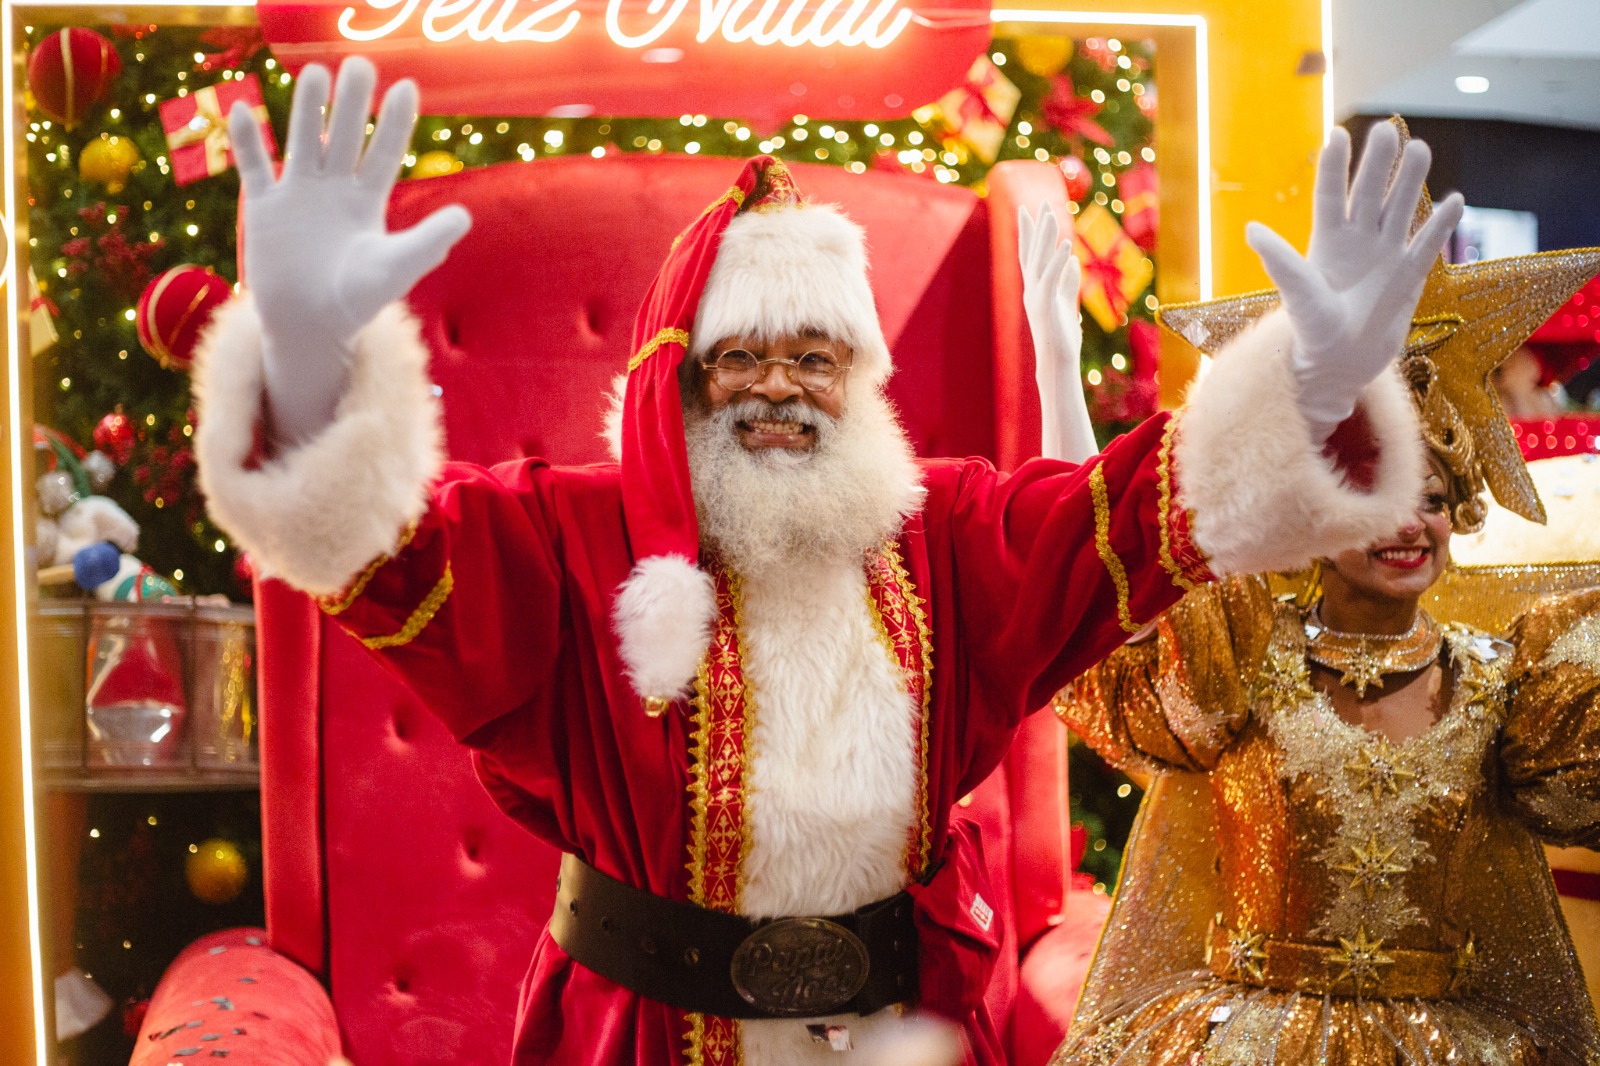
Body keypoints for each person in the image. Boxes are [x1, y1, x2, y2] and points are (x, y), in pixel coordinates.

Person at [192, 57, 1457, 1065]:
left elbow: (1132, 515)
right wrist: (305, 369)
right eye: (742, 356)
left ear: (862, 380)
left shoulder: (950, 540)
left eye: (817, 357)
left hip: (902, 1032)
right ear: (676, 382)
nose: (780, 390)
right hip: (646, 1039)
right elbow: (387, 552)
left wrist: (1307, 385)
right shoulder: (568, 543)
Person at [1047, 220, 1600, 1062]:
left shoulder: (1507, 687)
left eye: (1433, 497)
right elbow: (1094, 577)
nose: (1407, 523)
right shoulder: (1236, 665)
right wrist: (1056, 359)